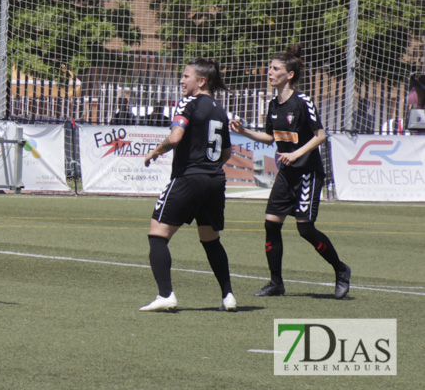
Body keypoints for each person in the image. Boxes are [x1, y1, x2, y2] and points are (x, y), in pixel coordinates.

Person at [229, 46, 350, 299]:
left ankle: (341, 270)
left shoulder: (302, 101)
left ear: (289, 75)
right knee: (271, 224)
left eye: (275, 69)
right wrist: (243, 132)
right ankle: (276, 283)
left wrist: (296, 154)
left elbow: (320, 136)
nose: (269, 72)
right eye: (270, 68)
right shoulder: (273, 104)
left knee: (305, 229)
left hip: (307, 173)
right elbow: (268, 138)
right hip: (286, 173)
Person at [141, 57, 236, 312]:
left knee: (157, 235)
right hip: (215, 181)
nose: (181, 80)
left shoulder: (188, 103)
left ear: (201, 81)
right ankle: (228, 296)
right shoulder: (219, 108)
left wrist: (154, 153)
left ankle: (165, 295)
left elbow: (175, 137)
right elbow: (227, 152)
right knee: (210, 239)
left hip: (188, 179)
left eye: (186, 76)